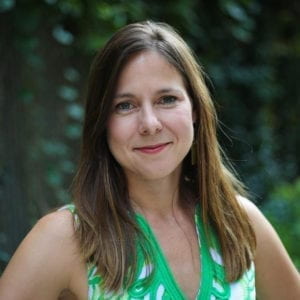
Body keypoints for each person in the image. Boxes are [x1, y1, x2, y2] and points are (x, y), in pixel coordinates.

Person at [0, 20, 299, 300]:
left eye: (167, 99)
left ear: (194, 108)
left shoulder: (239, 222)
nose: (150, 123)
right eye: (125, 105)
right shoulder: (66, 237)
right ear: (102, 121)